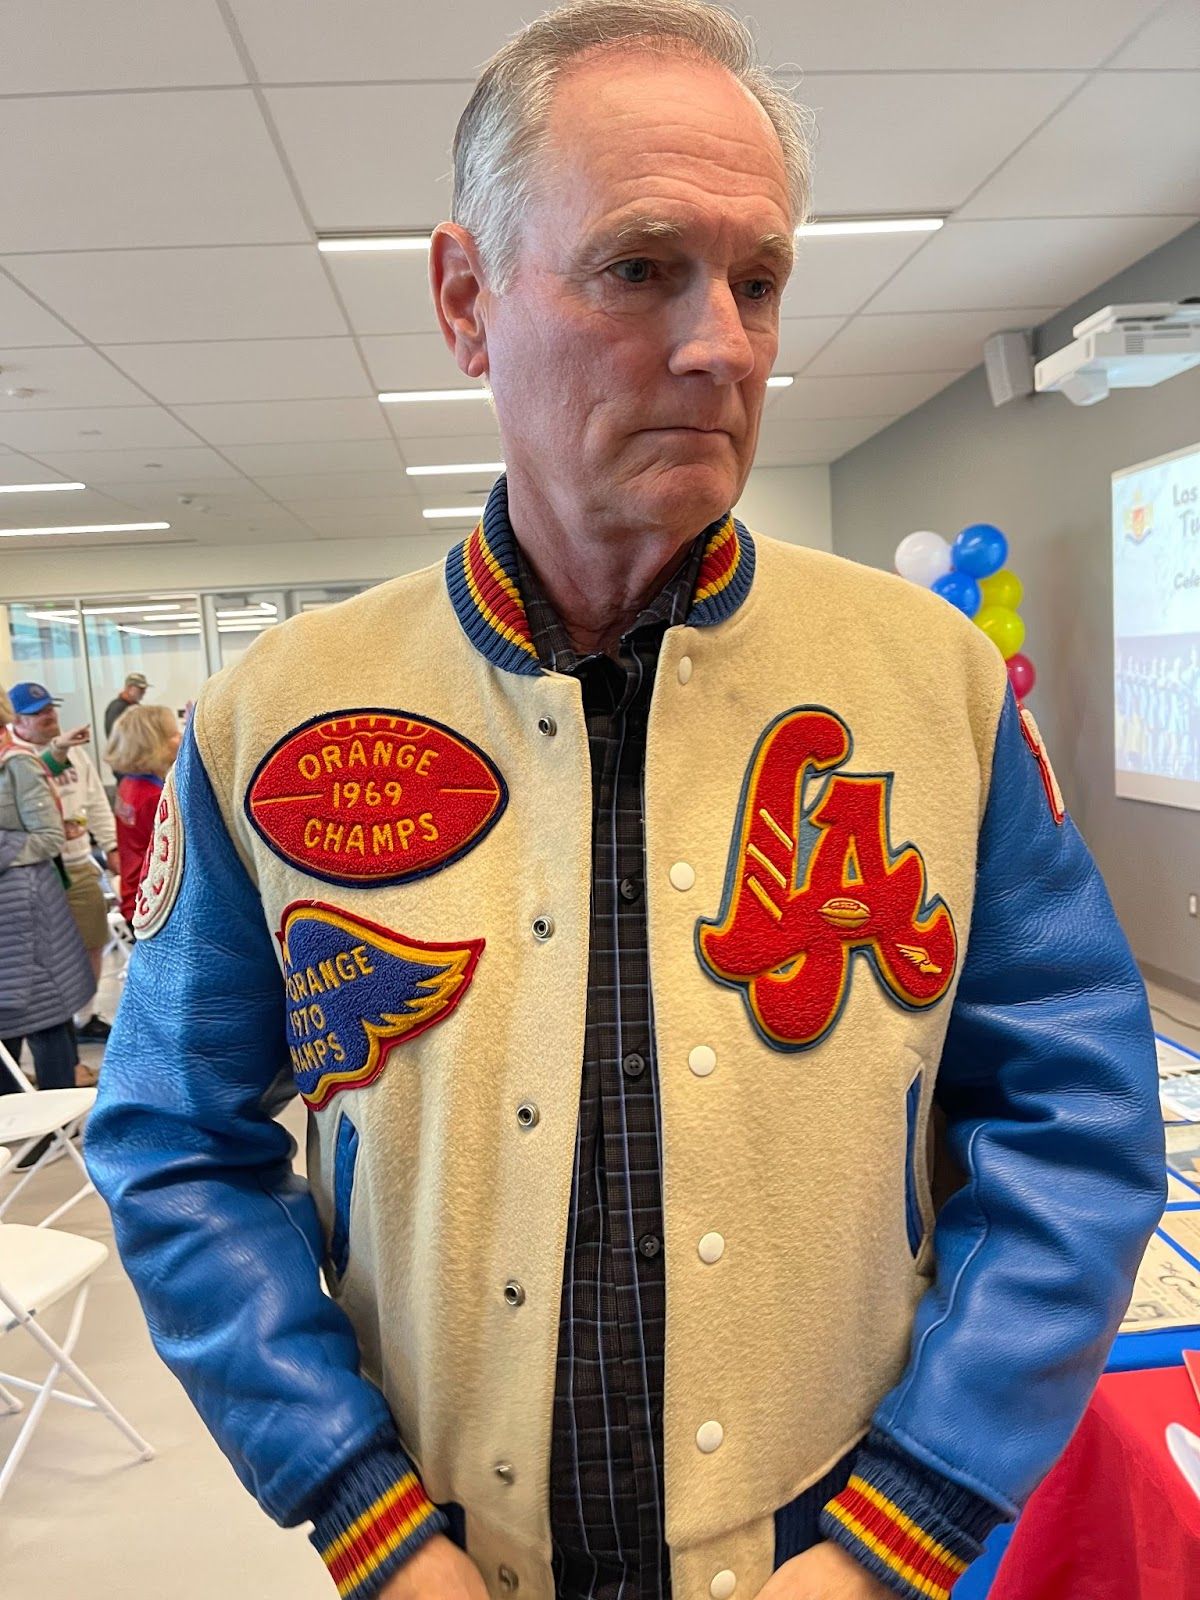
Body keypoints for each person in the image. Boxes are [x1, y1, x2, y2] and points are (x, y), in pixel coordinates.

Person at [85, 5, 1165, 1599]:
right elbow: (178, 1144)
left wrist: (905, 1527)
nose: (723, 340)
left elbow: (1072, 1123)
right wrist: (363, 1519)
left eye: (761, 279)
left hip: (830, 1543)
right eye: (642, 266)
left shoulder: (931, 687)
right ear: (467, 300)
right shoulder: (276, 716)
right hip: (447, 1551)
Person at [9, 681, 119, 1050]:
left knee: (93, 941)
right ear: (16, 722)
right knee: (44, 958)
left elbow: (96, 803)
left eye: (49, 709)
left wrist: (111, 845)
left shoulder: (75, 754)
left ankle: (84, 1017)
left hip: (79, 861)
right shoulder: (16, 759)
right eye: (37, 713)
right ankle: (51, 1030)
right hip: (36, 872)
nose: (48, 716)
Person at [0, 688, 96, 1107]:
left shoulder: (15, 764)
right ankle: (16, 1119)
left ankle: (50, 1121)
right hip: (12, 908)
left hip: (26, 908)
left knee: (42, 1014)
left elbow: (49, 836)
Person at [106, 704, 182, 926]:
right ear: (155, 745)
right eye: (174, 734)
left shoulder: (129, 784)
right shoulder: (153, 797)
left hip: (135, 894)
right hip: (154, 902)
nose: (180, 739)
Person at [104, 671, 149, 738]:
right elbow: (114, 736)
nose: (144, 692)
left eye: (145, 689)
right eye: (141, 688)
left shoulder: (136, 707)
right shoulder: (116, 708)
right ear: (129, 688)